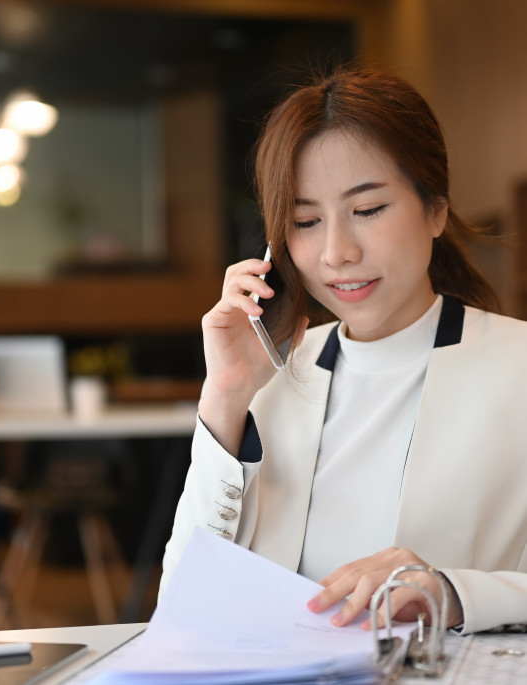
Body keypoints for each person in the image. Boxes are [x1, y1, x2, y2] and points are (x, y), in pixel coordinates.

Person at [159, 66, 527, 635]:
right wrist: (225, 399)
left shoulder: (515, 364)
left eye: (369, 209)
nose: (336, 252)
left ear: (436, 209)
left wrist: (451, 592)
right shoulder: (270, 378)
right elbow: (181, 605)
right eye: (305, 221)